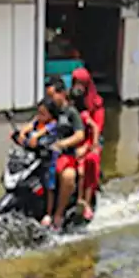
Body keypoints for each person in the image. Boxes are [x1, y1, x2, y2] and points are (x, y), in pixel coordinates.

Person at [45, 78, 85, 230]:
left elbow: (79, 135)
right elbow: (37, 120)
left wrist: (63, 143)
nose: (50, 99)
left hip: (66, 155)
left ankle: (58, 214)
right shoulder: (49, 109)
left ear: (62, 94)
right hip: (47, 153)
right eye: (48, 96)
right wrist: (23, 133)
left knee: (68, 177)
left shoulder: (71, 113)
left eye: (52, 95)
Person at [71, 67, 104, 219]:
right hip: (72, 140)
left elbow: (97, 127)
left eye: (81, 83)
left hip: (90, 142)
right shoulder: (70, 102)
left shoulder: (96, 104)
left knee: (90, 161)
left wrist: (88, 146)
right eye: (75, 83)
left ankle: (86, 202)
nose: (78, 87)